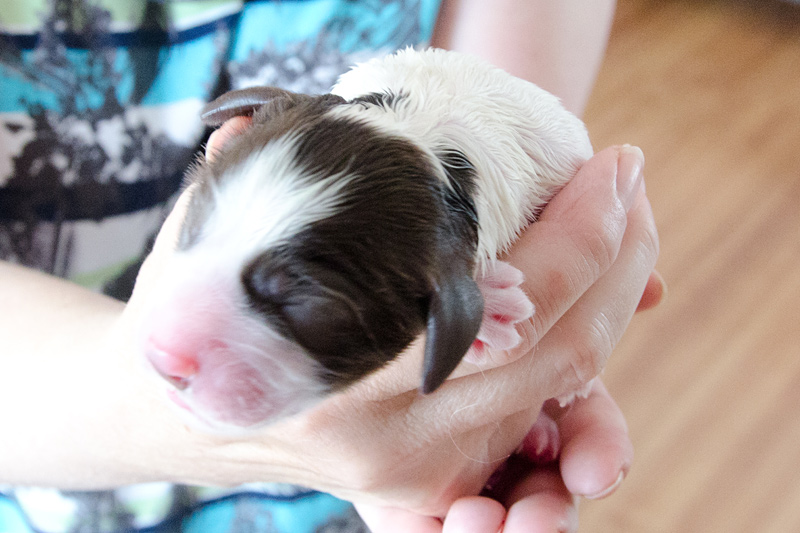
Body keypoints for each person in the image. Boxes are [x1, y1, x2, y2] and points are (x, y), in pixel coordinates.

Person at [0, 0, 661, 532]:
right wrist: (140, 409)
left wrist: (512, 272)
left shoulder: (441, 279)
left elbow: (505, 135)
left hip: (357, 498)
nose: (165, 343)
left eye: (294, 295)